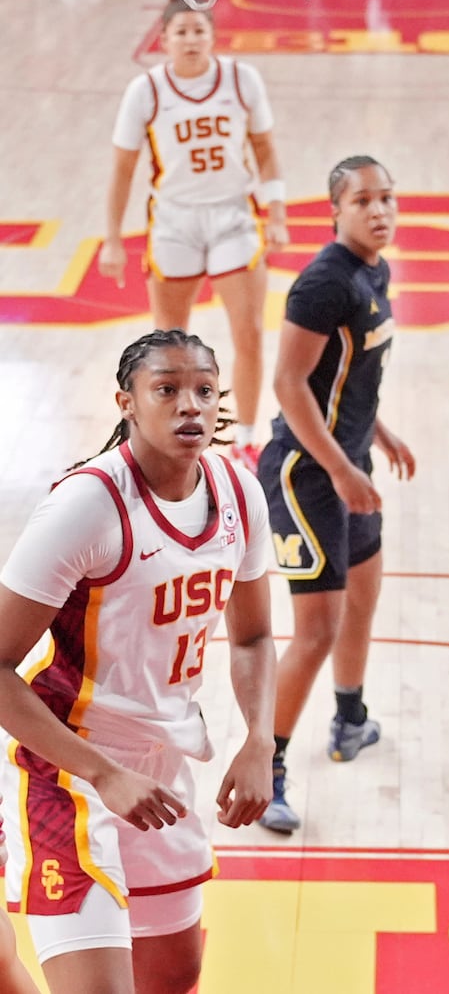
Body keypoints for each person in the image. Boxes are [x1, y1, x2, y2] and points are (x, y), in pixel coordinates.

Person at [0, 329, 276, 994]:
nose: (191, 405)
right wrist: (103, 773)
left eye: (205, 390)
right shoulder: (87, 505)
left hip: (163, 772)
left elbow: (252, 637)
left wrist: (261, 738)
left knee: (174, 976)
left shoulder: (238, 495)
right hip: (67, 770)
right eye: (168, 389)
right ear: (127, 401)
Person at [256, 156, 413, 836]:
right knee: (315, 628)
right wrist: (344, 471)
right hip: (304, 473)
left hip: (349, 462)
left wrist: (377, 431)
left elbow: (344, 375)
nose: (379, 210)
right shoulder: (323, 283)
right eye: (363, 200)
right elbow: (290, 386)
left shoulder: (373, 270)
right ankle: (266, 773)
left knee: (363, 597)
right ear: (335, 210)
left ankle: (351, 718)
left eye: (387, 197)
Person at [100, 0, 291, 473]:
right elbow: (122, 170)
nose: (190, 39)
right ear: (162, 38)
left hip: (233, 216)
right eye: (180, 31)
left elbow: (265, 149)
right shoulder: (144, 91)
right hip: (174, 220)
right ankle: (166, 440)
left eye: (198, 30)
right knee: (168, 347)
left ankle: (247, 439)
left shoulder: (241, 79)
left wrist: (278, 211)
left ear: (212, 36)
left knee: (247, 334)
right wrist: (112, 237)